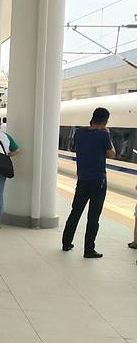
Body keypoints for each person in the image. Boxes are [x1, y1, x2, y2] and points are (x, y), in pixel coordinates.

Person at [61, 106, 116, 258]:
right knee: (93, 217)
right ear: (105, 122)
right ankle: (89, 250)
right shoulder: (103, 135)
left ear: (92, 118)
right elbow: (112, 154)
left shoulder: (79, 133)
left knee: (75, 212)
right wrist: (107, 134)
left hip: (82, 180)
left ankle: (66, 243)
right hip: (98, 181)